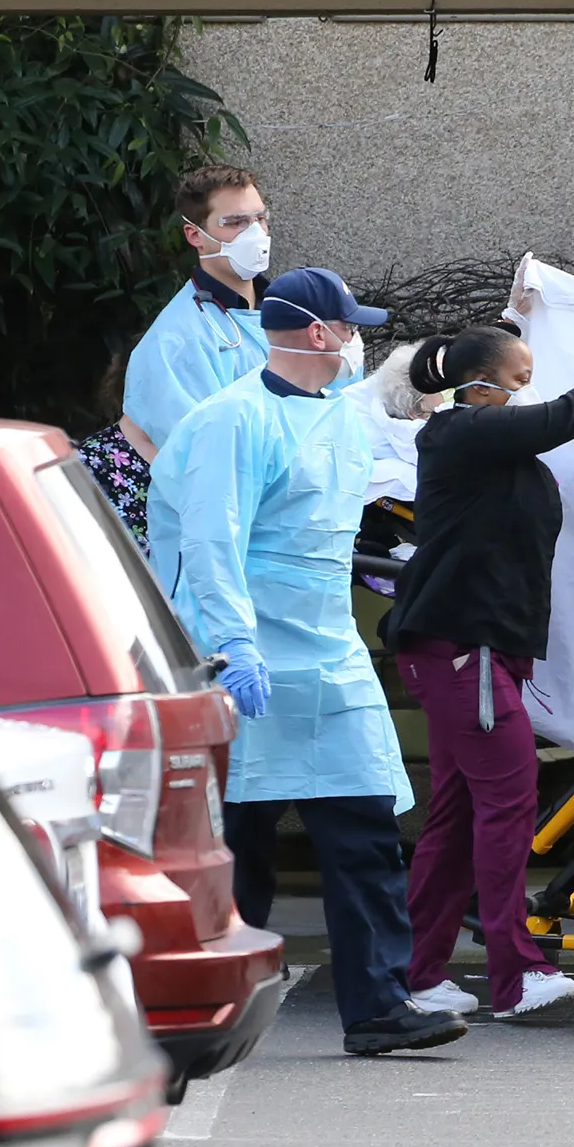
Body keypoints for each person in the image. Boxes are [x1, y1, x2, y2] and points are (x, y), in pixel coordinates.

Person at [146, 266, 466, 1057]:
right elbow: (210, 539)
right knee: (239, 840)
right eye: (353, 326)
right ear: (320, 334)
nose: (362, 338)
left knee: (360, 826)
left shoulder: (338, 416)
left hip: (326, 654)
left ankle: (380, 1006)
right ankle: (213, 1006)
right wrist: (233, 643)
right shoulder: (233, 420)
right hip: (247, 653)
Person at [391, 313, 574, 1020]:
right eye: (521, 379)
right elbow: (571, 413)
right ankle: (515, 973)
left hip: (468, 647)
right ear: (484, 386)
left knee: (461, 812)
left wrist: (516, 317)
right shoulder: (469, 432)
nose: (532, 390)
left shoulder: (483, 442)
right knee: (508, 801)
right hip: (468, 648)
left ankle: (419, 970)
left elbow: (509, 378)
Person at [77, 165, 276, 548]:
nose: (255, 233)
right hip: (147, 492)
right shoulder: (177, 338)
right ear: (194, 235)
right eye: (235, 222)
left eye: (259, 218)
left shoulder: (280, 315)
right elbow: (203, 455)